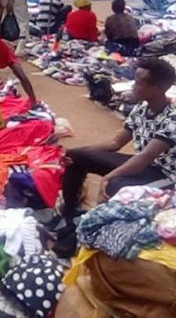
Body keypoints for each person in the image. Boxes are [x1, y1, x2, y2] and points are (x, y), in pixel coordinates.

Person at [58, 58, 176, 253]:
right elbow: (115, 144)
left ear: (155, 89)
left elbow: (144, 158)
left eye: (138, 82)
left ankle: (95, 237)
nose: (133, 86)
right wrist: (77, 153)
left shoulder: (172, 120)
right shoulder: (142, 109)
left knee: (115, 185)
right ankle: (69, 214)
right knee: (75, 156)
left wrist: (108, 177)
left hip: (165, 176)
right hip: (143, 166)